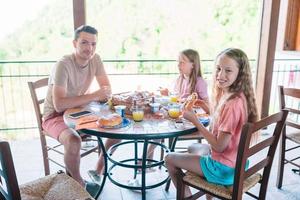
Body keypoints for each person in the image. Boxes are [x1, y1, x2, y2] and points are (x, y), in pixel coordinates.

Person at [164, 48, 258, 199]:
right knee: (193, 147)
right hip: (235, 162)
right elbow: (223, 123)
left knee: (169, 158)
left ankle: (188, 197)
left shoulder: (232, 104)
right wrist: (206, 108)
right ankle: (209, 194)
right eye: (218, 69)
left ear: (240, 74)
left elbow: (219, 146)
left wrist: (195, 120)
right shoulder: (237, 96)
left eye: (228, 70)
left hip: (223, 169)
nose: (220, 75)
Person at [42, 25, 114, 195]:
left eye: (93, 44)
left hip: (78, 110)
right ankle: (78, 184)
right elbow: (59, 104)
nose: (89, 48)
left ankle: (97, 170)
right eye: (84, 43)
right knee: (74, 141)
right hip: (54, 116)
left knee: (116, 128)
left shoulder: (96, 59)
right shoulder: (63, 64)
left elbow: (106, 88)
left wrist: (102, 94)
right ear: (74, 43)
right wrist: (95, 95)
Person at [145, 49, 210, 170]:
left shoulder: (200, 82)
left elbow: (208, 107)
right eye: (178, 62)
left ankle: (146, 161)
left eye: (182, 62)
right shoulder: (180, 79)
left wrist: (197, 103)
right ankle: (148, 161)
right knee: (156, 125)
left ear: (193, 64)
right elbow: (177, 100)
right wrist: (167, 94)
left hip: (192, 123)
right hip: (178, 119)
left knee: (159, 130)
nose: (178, 65)